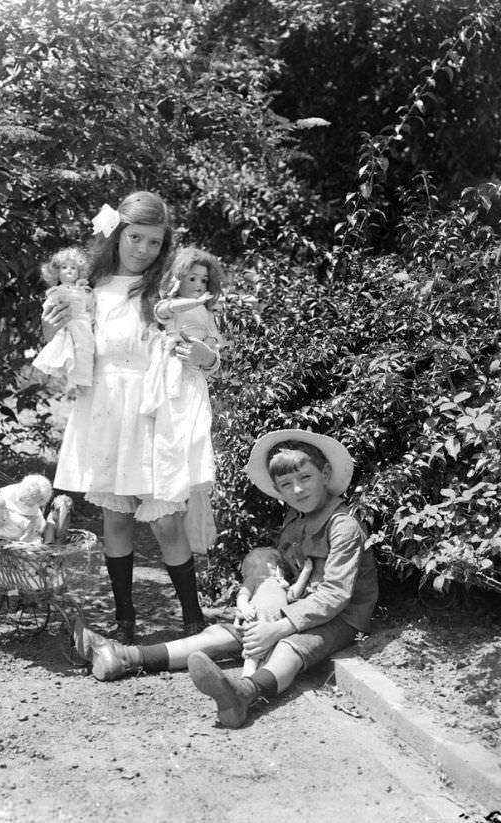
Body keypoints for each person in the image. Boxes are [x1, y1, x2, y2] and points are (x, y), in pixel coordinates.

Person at [71, 429, 379, 729]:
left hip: (341, 617)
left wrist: (278, 628)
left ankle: (244, 693)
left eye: (305, 478)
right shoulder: (297, 517)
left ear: (325, 473)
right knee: (225, 634)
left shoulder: (343, 526)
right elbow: (289, 565)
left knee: (289, 648)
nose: (297, 490)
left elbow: (336, 595)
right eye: (287, 484)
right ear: (278, 490)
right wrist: (265, 594)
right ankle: (126, 656)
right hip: (296, 605)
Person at [43, 192, 219, 644]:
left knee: (165, 520)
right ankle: (125, 618)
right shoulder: (92, 290)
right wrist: (55, 319)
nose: (143, 250)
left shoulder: (168, 294)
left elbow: (207, 349)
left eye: (155, 243)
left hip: (154, 411)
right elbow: (67, 348)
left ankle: (192, 617)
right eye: (135, 237)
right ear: (118, 234)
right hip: (105, 409)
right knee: (116, 518)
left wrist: (204, 357)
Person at [141, 246, 224, 415]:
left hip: (195, 370)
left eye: (204, 280)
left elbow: (215, 340)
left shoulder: (206, 312)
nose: (199, 285)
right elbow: (165, 311)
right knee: (173, 414)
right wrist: (195, 302)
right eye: (192, 279)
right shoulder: (170, 305)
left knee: (197, 418)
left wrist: (207, 348)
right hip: (173, 364)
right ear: (177, 280)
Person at [235, 547, 313, 677]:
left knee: (272, 657)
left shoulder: (281, 584)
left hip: (278, 627)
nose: (277, 566)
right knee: (253, 654)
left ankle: (259, 682)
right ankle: (246, 678)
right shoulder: (254, 580)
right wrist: (245, 608)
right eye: (273, 564)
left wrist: (306, 571)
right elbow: (242, 597)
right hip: (257, 620)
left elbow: (294, 594)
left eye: (278, 565)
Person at [32, 246, 94, 398]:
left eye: (73, 268)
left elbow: (91, 306)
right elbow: (49, 308)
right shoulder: (56, 292)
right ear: (56, 273)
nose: (69, 271)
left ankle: (82, 382)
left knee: (84, 350)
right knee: (65, 350)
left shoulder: (84, 290)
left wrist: (90, 318)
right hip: (64, 324)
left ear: (80, 271)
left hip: (82, 324)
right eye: (64, 267)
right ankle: (70, 382)